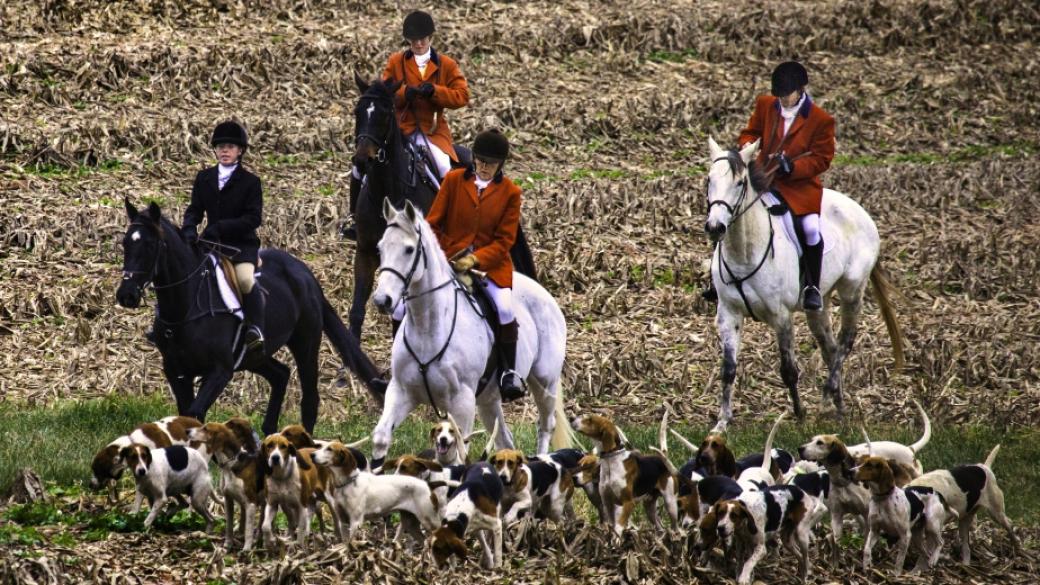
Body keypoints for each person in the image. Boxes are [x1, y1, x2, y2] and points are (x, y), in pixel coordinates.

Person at [394, 129, 525, 402]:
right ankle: (396, 368)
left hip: (490, 266)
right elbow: (432, 224)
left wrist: (476, 259)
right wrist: (448, 256)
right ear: (474, 159)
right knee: (399, 306)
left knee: (504, 308)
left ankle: (508, 373)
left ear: (501, 165)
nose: (484, 168)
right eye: (480, 162)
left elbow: (505, 241)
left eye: (491, 164)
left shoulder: (511, 193)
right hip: (448, 261)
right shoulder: (453, 180)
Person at [342, 10, 470, 241]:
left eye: (423, 39)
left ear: (430, 38)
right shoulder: (396, 61)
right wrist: (404, 93)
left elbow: (462, 96)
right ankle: (353, 218)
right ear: (408, 41)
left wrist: (436, 92)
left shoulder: (447, 66)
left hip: (431, 132)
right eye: (414, 40)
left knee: (442, 166)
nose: (419, 44)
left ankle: (451, 221)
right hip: (400, 129)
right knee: (361, 163)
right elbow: (383, 91)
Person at [737, 60, 835, 311]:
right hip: (763, 180)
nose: (783, 100)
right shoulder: (766, 104)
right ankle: (720, 278)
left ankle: (811, 286)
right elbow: (750, 132)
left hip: (798, 188)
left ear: (800, 90)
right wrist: (748, 146)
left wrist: (793, 167)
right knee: (731, 211)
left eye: (787, 95)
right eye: (779, 95)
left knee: (811, 229)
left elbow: (822, 159)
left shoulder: (821, 120)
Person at [181, 120, 266, 354]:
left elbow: (253, 218)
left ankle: (255, 329)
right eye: (220, 147)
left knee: (246, 280)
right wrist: (189, 230)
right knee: (184, 274)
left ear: (240, 151)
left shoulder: (250, 182)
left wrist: (221, 227)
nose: (225, 151)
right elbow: (195, 210)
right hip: (210, 244)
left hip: (240, 246)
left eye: (230, 146)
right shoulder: (204, 178)